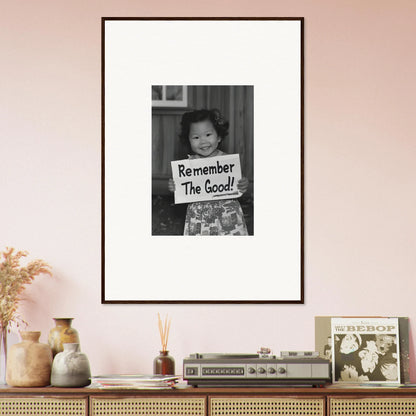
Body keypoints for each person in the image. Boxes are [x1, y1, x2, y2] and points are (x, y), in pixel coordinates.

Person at [168, 108, 249, 236]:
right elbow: (183, 188)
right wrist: (176, 186)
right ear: (188, 140)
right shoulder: (188, 166)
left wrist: (243, 183)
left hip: (227, 214)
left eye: (208, 135)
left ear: (219, 136)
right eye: (196, 137)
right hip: (199, 217)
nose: (203, 141)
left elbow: (237, 182)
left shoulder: (227, 162)